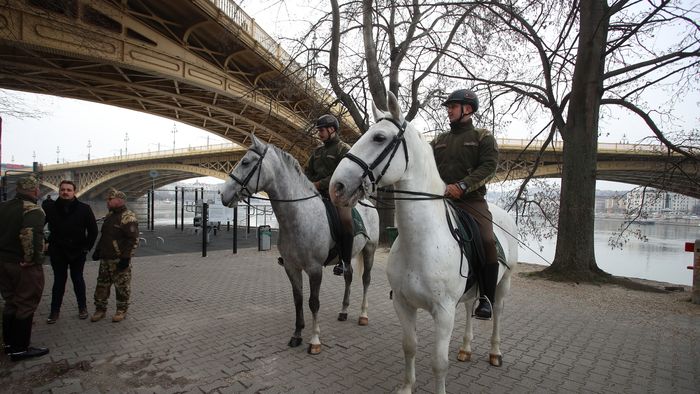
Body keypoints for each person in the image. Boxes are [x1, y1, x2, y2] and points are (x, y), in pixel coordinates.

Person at [431, 89, 499, 320]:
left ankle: (486, 298)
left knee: (487, 240)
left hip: (471, 201)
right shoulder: (439, 140)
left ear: (467, 109)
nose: (448, 110)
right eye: (448, 107)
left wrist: (462, 186)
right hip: (440, 200)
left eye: (453, 106)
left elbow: (489, 167)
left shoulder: (482, 137)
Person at [0, 176, 50, 361]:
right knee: (26, 302)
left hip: (3, 263)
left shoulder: (3, 207)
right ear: (35, 191)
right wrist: (33, 259)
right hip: (22, 265)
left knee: (11, 302)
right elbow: (30, 234)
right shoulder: (33, 210)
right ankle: (21, 349)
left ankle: (9, 344)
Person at [305, 114, 353, 276]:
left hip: (338, 194)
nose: (319, 133)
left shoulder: (343, 149)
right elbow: (308, 172)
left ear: (332, 129)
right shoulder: (317, 152)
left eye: (322, 130)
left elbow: (339, 173)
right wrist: (306, 183)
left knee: (345, 221)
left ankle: (345, 262)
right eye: (319, 130)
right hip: (315, 193)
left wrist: (319, 184)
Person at [44, 180, 98, 324]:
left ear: (74, 192)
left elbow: (93, 231)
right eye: (63, 190)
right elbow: (38, 227)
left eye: (69, 190)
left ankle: (82, 308)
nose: (65, 192)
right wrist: (46, 242)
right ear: (59, 191)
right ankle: (54, 311)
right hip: (58, 251)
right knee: (58, 282)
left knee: (78, 280)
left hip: (78, 251)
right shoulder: (51, 209)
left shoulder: (84, 208)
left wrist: (86, 247)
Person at [90, 188, 139, 323]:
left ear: (119, 200)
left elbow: (132, 240)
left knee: (122, 287)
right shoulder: (109, 216)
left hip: (119, 259)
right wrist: (98, 250)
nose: (107, 201)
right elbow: (105, 236)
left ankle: (121, 310)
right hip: (106, 258)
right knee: (101, 286)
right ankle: (100, 309)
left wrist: (125, 258)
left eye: (109, 199)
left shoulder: (128, 217)